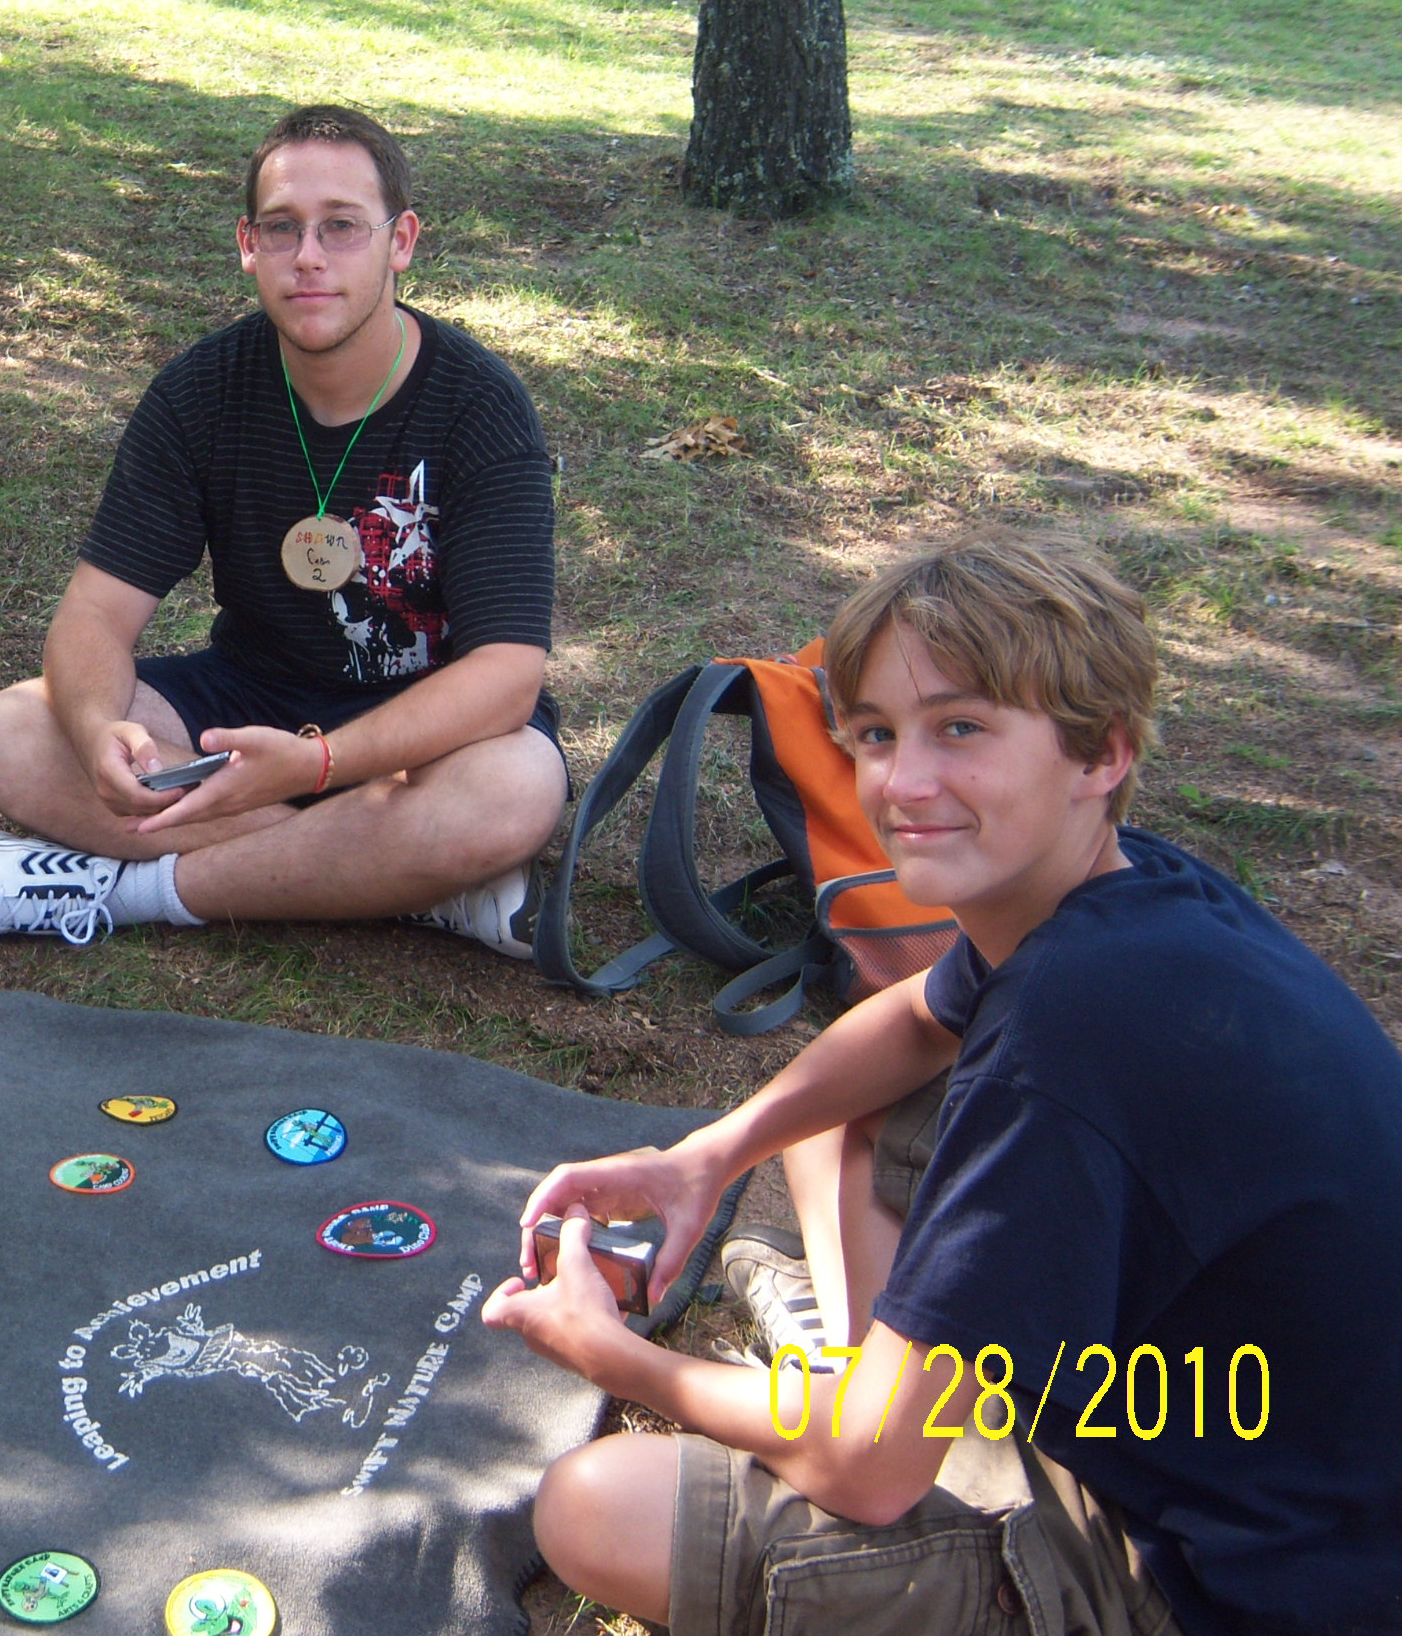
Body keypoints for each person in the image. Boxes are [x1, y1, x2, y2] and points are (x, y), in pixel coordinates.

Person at [482, 530, 1402, 1636]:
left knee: (594, 1508)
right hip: (1237, 1441)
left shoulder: (1073, 1035)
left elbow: (868, 1479)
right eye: (875, 733)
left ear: (1101, 754)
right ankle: (868, 1385)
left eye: (960, 728)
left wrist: (617, 1358)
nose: (902, 783)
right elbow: (916, 1017)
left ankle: (865, 1400)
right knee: (831, 1113)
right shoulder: (1131, 891)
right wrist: (706, 1157)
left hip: (1221, 1578)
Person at [0, 105, 567, 952]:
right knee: (8, 734)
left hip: (424, 730)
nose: (309, 257)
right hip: (245, 703)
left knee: (512, 790)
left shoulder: (479, 405)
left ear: (401, 241)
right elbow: (95, 615)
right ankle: (406, 880)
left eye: (342, 227)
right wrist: (97, 730)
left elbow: (507, 676)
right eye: (282, 228)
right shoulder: (201, 392)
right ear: (248, 245)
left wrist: (321, 764)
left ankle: (127, 893)